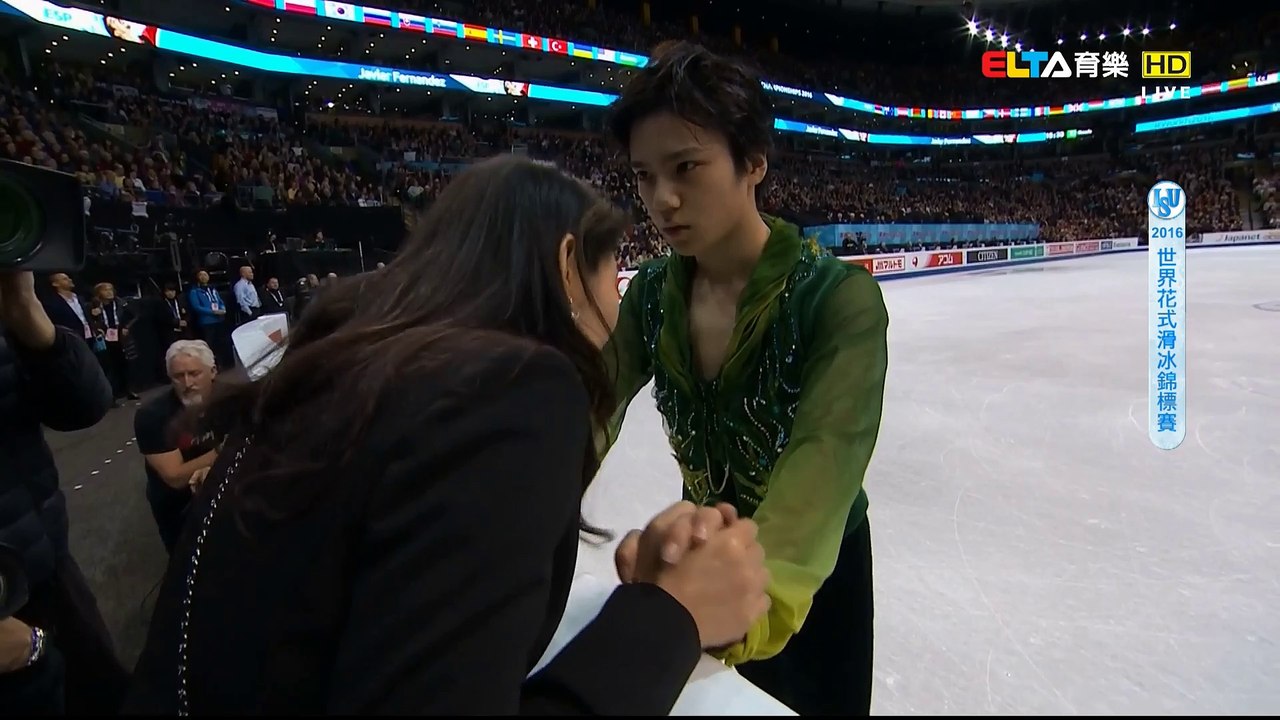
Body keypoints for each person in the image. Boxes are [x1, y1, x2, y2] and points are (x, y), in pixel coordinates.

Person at [124, 155, 771, 714]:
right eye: (611, 276)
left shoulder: (351, 360)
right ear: (569, 264)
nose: (616, 299)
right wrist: (670, 614)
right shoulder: (511, 385)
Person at [602, 41, 890, 716]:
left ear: (753, 163)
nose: (661, 199)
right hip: (696, 562)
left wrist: (733, 610)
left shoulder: (836, 301)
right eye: (643, 176)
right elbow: (588, 404)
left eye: (687, 167)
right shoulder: (650, 296)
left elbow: (824, 461)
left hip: (813, 575)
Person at [0, 270, 131, 713]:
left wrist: (27, 315)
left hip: (47, 566)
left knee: (106, 693)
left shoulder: (10, 316)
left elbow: (86, 405)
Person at [133, 340, 220, 554]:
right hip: (178, 506)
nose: (187, 383)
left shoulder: (228, 399)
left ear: (213, 371)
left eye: (194, 373)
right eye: (178, 377)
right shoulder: (153, 416)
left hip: (222, 490)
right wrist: (223, 450)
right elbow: (175, 477)